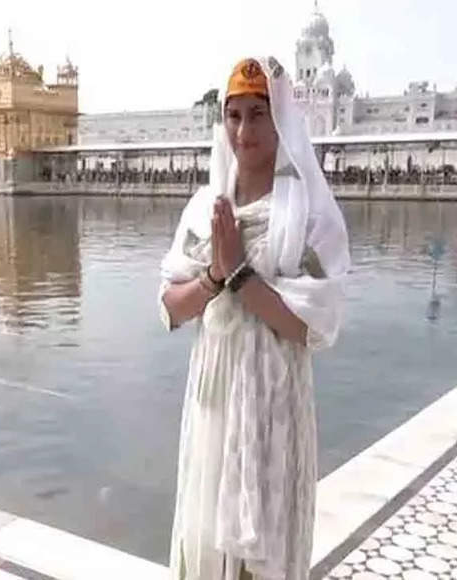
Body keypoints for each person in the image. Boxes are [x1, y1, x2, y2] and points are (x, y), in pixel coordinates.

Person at [159, 57, 350, 580]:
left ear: (281, 118)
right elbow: (171, 308)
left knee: (261, 550)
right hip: (214, 399)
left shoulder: (309, 213)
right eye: (234, 115)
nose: (244, 131)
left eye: (258, 114)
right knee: (204, 545)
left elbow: (311, 326)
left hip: (273, 406)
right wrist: (215, 278)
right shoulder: (206, 209)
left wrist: (239, 273)